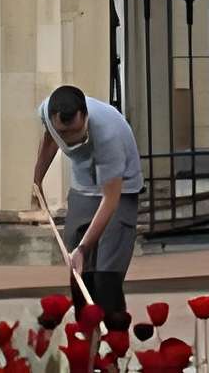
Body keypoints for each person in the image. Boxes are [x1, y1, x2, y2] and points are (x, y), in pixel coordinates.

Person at [28, 83, 142, 331]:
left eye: (77, 132)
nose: (72, 140)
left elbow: (110, 200)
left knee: (106, 277)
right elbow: (50, 138)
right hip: (83, 187)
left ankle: (114, 344)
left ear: (86, 116)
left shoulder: (108, 134)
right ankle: (85, 344)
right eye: (65, 133)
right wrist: (37, 179)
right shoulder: (47, 112)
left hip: (120, 190)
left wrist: (84, 247)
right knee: (80, 274)